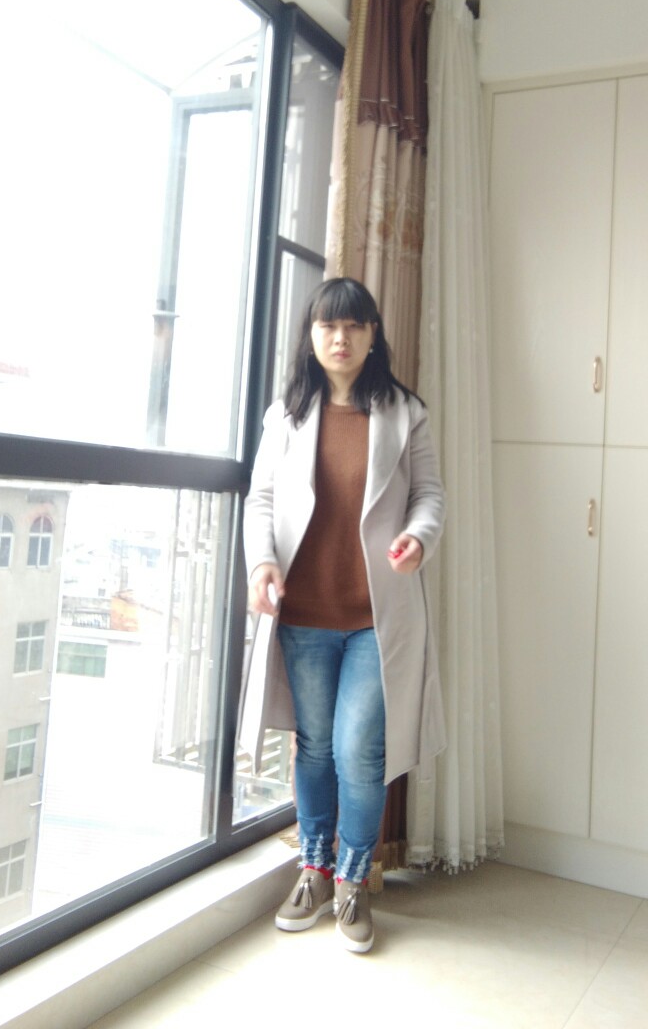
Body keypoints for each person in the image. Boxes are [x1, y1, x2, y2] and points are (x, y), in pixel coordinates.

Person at [240, 277, 445, 953]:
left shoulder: (404, 413)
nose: (341, 338)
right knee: (315, 746)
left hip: (375, 619)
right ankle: (314, 869)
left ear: (372, 335)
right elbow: (261, 499)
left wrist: (418, 537)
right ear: (311, 336)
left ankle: (354, 879)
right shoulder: (286, 414)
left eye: (355, 326)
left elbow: (430, 495)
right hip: (304, 613)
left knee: (360, 749)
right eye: (328, 326)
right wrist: (261, 564)